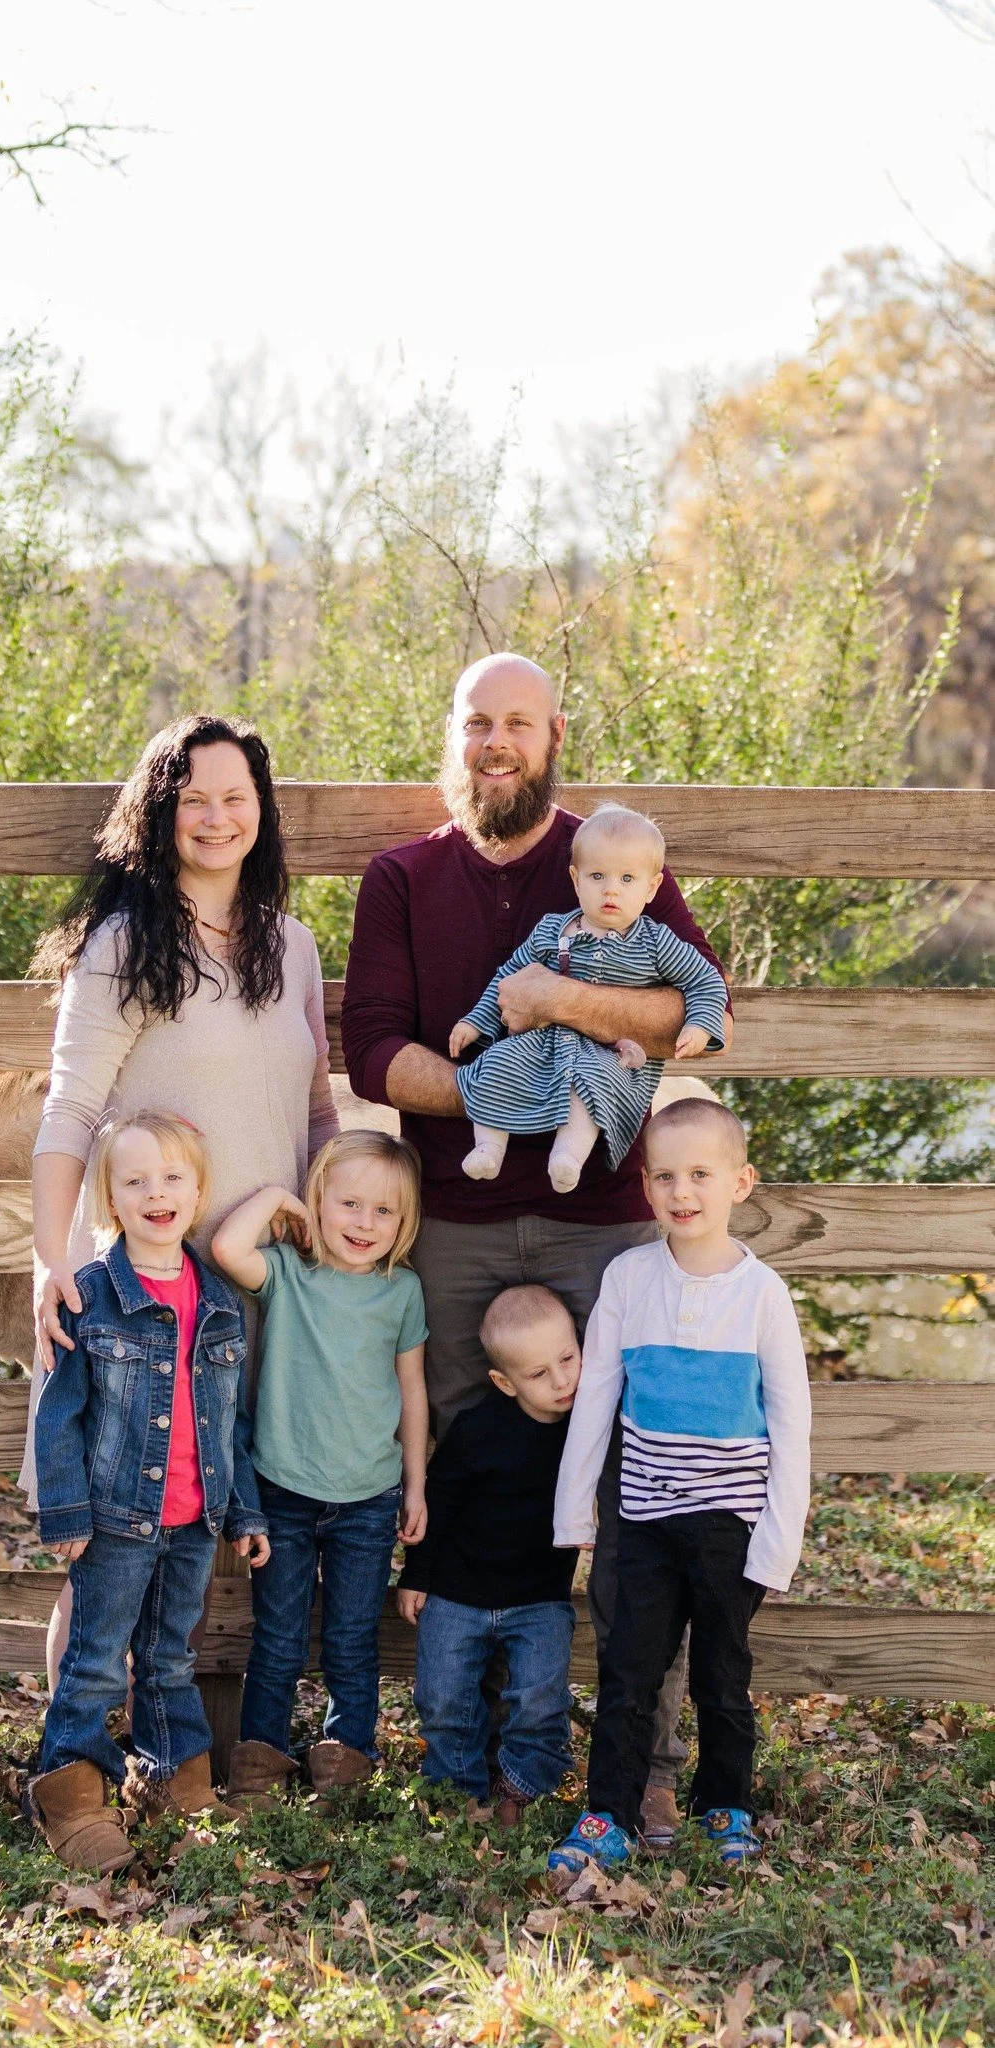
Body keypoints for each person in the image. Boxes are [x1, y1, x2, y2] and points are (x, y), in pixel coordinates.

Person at [340, 649, 730, 1845]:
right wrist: (508, 1093)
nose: (496, 741)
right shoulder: (402, 876)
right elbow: (376, 1056)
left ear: (555, 731)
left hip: (604, 1218)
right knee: (465, 1482)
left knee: (636, 1479)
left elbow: (691, 1017)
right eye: (478, 722)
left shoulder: (619, 857)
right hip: (448, 1226)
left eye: (518, 721)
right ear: (453, 733)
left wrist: (559, 1007)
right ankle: (489, 1746)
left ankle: (645, 1757)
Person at [28, 713, 339, 1685]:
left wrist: (336, 1242)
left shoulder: (292, 946)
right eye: (193, 798)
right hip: (138, 1299)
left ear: (262, 811)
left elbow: (318, 1109)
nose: (216, 816)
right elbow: (70, 1110)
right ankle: (71, 1761)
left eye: (235, 797)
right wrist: (51, 1260)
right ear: (159, 816)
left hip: (251, 1293)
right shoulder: (124, 942)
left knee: (207, 1517)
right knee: (107, 1549)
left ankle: (174, 1750)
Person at [547, 1098, 811, 1879]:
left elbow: (789, 1422)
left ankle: (725, 1807)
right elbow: (596, 1394)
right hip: (647, 1521)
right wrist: (574, 1514)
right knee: (629, 1671)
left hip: (730, 1524)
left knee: (721, 1677)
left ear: (740, 1182)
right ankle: (609, 1815)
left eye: (700, 1173)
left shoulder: (761, 1293)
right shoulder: (628, 1278)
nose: (680, 1190)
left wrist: (776, 1541)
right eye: (663, 1175)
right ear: (645, 1186)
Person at [26, 1111, 271, 1873]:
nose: (154, 1194)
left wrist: (245, 1510)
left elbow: (229, 1423)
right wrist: (64, 1510)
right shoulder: (90, 1296)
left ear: (197, 1194)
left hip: (196, 1522)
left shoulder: (222, 1301)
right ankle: (68, 1794)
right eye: (134, 1181)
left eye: (171, 1178)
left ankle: (174, 1780)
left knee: (170, 1657)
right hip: (114, 1522)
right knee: (97, 1661)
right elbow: (58, 1411)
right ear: (110, 1199)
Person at [210, 1130, 429, 1804]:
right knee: (276, 1638)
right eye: (349, 1204)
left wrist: (415, 1482)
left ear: (404, 1221)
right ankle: (259, 1765)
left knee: (351, 1640)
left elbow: (412, 1391)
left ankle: (344, 1765)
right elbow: (225, 1249)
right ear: (318, 1204)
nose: (364, 1223)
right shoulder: (286, 1273)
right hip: (283, 1490)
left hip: (368, 1495)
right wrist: (279, 1197)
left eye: (383, 1211)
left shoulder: (401, 1292)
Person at [451, 803, 727, 1186]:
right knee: (498, 1061)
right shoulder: (553, 930)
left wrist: (699, 1023)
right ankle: (489, 1148)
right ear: (576, 879)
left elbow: (706, 981)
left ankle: (568, 1156)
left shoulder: (656, 941)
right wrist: (475, 1022)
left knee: (592, 1082)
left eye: (628, 879)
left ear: (651, 888)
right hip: (544, 1042)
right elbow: (509, 978)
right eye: (598, 876)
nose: (611, 889)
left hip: (610, 1050)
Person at [397, 1285, 581, 1828]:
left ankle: (523, 1789)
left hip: (540, 1599)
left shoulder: (587, 1429)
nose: (561, 1380)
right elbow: (441, 1504)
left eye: (567, 1359)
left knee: (540, 1699)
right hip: (458, 1593)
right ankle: (458, 1789)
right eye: (538, 1374)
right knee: (443, 1697)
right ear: (504, 1382)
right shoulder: (477, 1429)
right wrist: (417, 1576)